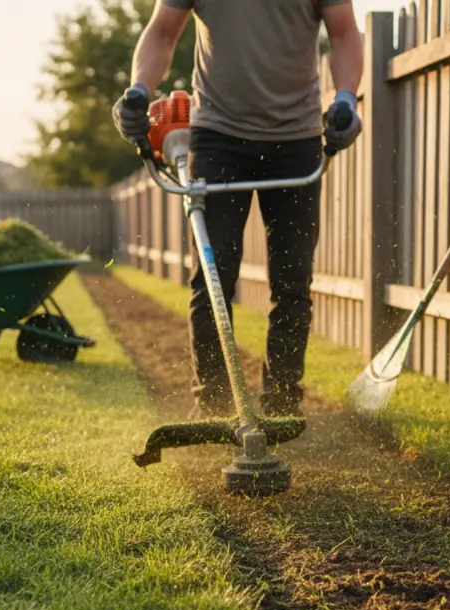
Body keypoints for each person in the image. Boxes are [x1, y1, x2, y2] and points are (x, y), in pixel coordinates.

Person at [113, 0, 364, 419]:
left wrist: (345, 99)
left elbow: (343, 35)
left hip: (296, 140)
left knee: (292, 278)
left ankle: (282, 404)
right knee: (213, 274)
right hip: (217, 137)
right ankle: (213, 402)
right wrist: (139, 90)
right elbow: (161, 32)